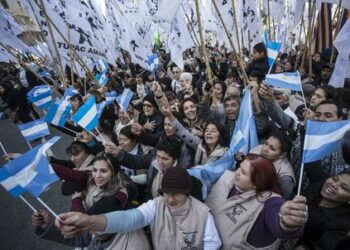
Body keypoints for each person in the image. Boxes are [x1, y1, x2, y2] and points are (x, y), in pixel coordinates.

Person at [54, 167, 222, 249]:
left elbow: (212, 246)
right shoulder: (157, 205)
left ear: (187, 193)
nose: (170, 199)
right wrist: (89, 221)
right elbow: (130, 218)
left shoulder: (203, 214)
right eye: (166, 193)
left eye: (176, 194)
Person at [32, 153, 151, 249]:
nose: (97, 175)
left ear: (114, 173)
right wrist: (35, 165)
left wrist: (77, 200)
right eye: (95, 170)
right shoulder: (91, 176)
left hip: (110, 238)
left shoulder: (119, 195)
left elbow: (83, 221)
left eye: (103, 171)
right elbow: (69, 174)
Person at [206, 154, 307, 249]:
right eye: (239, 167)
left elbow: (276, 214)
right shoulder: (229, 179)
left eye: (243, 172)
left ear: (256, 183)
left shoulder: (268, 201)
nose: (236, 172)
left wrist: (287, 222)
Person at [249, 131, 295, 199]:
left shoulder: (285, 179)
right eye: (266, 143)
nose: (264, 149)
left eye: (272, 148)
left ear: (282, 155)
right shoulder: (258, 149)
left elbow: (278, 203)